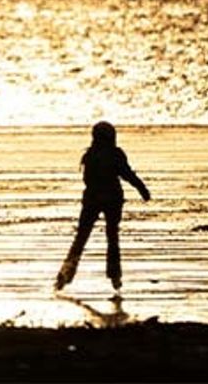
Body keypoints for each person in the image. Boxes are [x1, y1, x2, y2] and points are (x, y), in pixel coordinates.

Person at [55, 121, 151, 292]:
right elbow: (127, 174)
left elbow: (87, 179)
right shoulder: (115, 154)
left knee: (82, 237)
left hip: (92, 198)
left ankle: (66, 273)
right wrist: (142, 189)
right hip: (113, 198)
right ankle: (115, 275)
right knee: (112, 237)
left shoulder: (90, 155)